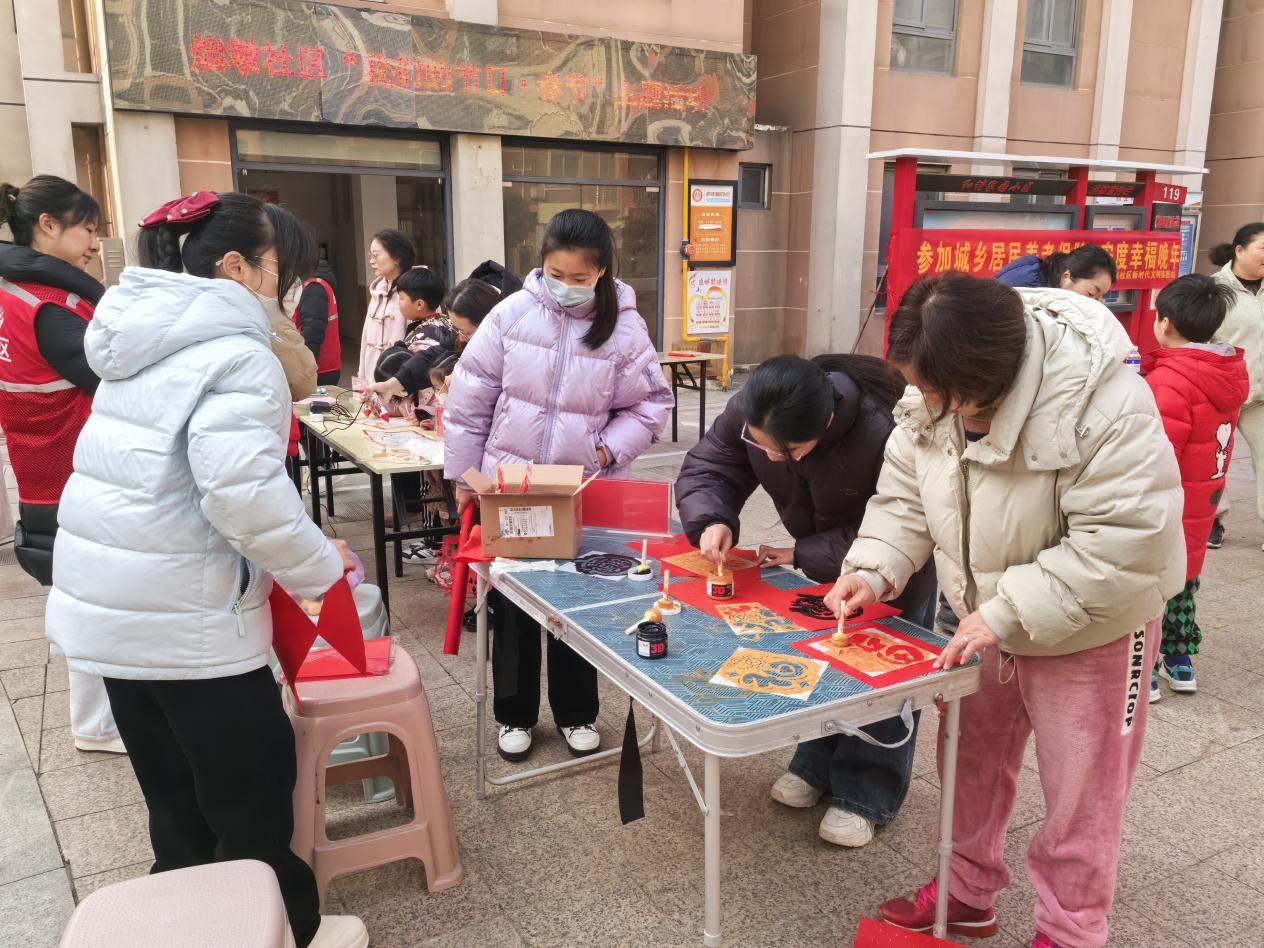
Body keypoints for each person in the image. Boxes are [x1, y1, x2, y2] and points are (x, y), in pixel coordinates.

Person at [44, 190, 368, 948]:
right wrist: (319, 563)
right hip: (188, 617)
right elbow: (242, 495)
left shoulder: (137, 338)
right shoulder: (239, 355)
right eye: (280, 271)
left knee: (172, 792)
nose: (286, 291)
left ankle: (192, 925)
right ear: (236, 267)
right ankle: (289, 929)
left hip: (114, 610)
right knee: (251, 790)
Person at [824, 272, 1183, 947]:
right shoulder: (932, 393)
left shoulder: (1105, 403)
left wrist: (1009, 609)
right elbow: (904, 498)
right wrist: (873, 567)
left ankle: (1071, 929)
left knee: (1083, 788)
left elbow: (1125, 540)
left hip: (1097, 628)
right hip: (982, 618)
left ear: (993, 374)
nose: (929, 404)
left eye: (944, 394)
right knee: (970, 760)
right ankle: (965, 892)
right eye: (923, 388)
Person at [675, 354, 937, 848]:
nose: (773, 458)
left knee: (879, 675)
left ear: (827, 422)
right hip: (826, 561)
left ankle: (866, 790)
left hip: (894, 569)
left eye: (789, 450)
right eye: (762, 444)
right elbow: (713, 465)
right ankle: (813, 765)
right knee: (823, 659)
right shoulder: (756, 409)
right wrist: (713, 519)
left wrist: (802, 552)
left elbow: (903, 522)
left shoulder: (882, 428)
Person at [443, 208, 673, 762]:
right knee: (513, 607)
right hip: (513, 489)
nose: (565, 286)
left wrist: (605, 449)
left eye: (579, 277)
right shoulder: (511, 315)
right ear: (540, 263)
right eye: (555, 274)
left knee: (575, 606)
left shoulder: (624, 329)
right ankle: (514, 716)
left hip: (582, 491)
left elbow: (651, 403)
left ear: (601, 271)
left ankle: (577, 713)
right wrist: (465, 476)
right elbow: (469, 400)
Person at [0, 175, 122, 754]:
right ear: (47, 226)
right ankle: (98, 723)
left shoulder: (11, 294)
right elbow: (112, 378)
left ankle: (95, 718)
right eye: (88, 230)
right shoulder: (48, 306)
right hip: (74, 470)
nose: (95, 244)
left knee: (76, 592)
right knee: (94, 598)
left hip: (38, 470)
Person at [1145, 275, 1246, 701]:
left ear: (1165, 323)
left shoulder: (1170, 380)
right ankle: (1180, 659)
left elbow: (1157, 457)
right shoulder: (1225, 372)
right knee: (1186, 577)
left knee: (1152, 583)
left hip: (1170, 502)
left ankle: (1146, 667)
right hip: (1204, 495)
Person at [1207, 222, 1264, 549]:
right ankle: (1213, 518)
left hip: (1261, 396)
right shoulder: (1214, 290)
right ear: (1239, 250)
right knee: (1214, 459)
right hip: (1222, 393)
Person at [357, 228, 414, 382]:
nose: (371, 261)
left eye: (376, 255)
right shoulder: (377, 292)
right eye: (370, 256)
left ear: (396, 257)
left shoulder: (415, 291)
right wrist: (362, 377)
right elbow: (366, 338)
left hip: (399, 380)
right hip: (373, 378)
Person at [995, 243, 1118, 300]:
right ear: (1067, 276)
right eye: (1090, 294)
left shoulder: (1055, 288)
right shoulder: (1028, 287)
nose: (1093, 303)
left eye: (1097, 299)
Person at [294, 254, 341, 387]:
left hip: (319, 370)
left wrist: (304, 369)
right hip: (324, 367)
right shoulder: (316, 283)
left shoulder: (314, 288)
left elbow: (312, 332)